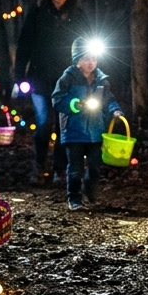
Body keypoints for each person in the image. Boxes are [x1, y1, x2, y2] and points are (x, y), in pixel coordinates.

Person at [13, 0, 89, 186]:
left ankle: (60, 170)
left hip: (68, 80)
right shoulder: (37, 14)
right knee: (45, 121)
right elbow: (24, 44)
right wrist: (19, 76)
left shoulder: (78, 15)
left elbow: (86, 46)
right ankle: (38, 165)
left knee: (64, 125)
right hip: (40, 77)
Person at [51, 38, 124, 211]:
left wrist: (115, 110)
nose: (90, 63)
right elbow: (57, 99)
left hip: (96, 131)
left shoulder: (101, 80)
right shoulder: (68, 78)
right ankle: (74, 199)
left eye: (93, 59)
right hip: (73, 131)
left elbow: (109, 99)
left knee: (95, 165)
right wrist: (73, 104)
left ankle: (90, 190)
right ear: (77, 60)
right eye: (86, 59)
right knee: (75, 168)